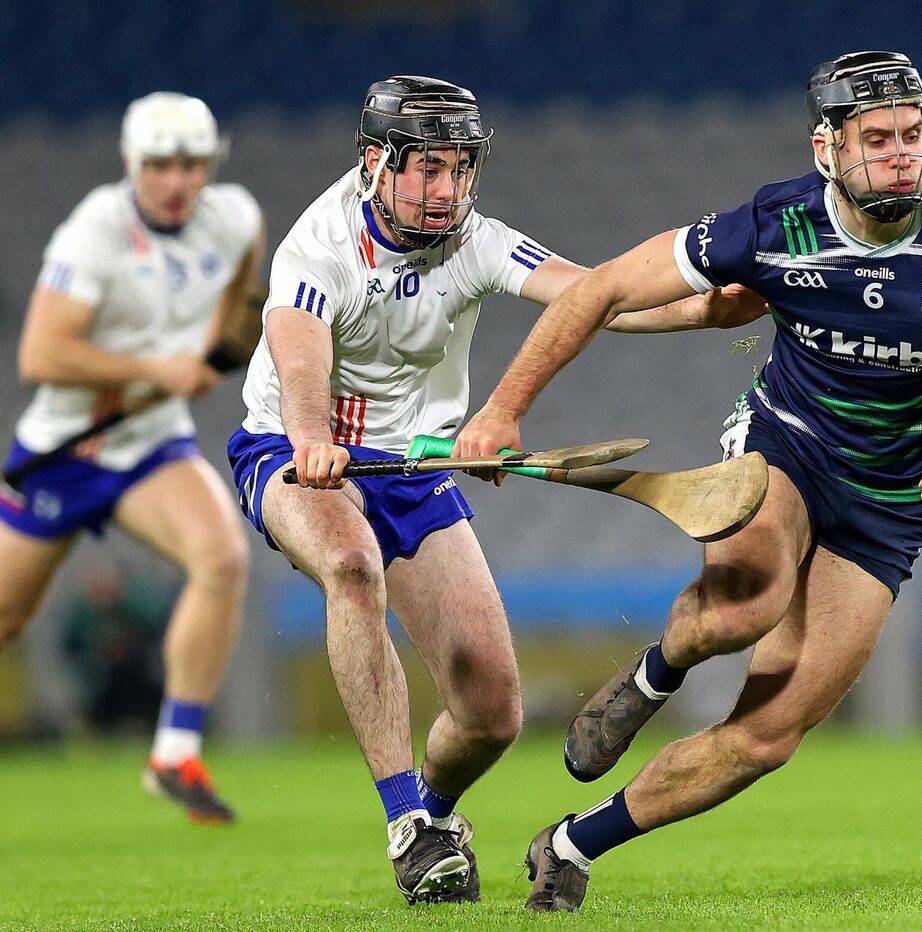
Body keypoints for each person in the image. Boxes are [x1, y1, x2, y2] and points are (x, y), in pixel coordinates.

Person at [454, 50, 922, 911]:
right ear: (827, 148)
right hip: (787, 448)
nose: (901, 155)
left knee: (769, 736)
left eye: (913, 135)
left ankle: (574, 842)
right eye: (877, 138)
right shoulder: (776, 224)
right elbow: (602, 290)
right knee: (747, 604)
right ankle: (656, 676)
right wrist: (504, 412)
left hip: (886, 508)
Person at [226, 75, 759, 905]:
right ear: (375, 162)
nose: (447, 192)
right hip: (294, 451)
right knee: (351, 563)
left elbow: (593, 298)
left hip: (412, 463)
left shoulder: (475, 240)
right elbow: (298, 350)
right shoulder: (320, 242)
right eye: (427, 170)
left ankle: (437, 823)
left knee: (491, 712)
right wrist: (310, 435)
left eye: (460, 169)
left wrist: (704, 311)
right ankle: (405, 819)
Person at [0, 92, 264, 823]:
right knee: (5, 620)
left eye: (192, 164)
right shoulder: (93, 232)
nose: (177, 181)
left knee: (222, 558)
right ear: (130, 164)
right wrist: (151, 371)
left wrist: (209, 353)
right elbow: (40, 353)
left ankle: (174, 753)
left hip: (149, 444)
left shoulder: (233, 215)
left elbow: (242, 290)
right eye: (160, 165)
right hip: (61, 450)